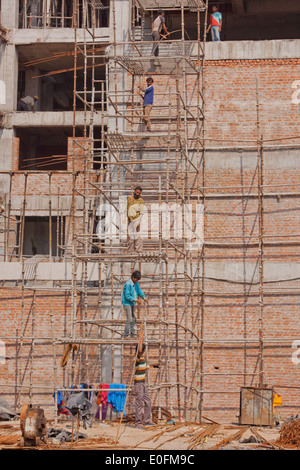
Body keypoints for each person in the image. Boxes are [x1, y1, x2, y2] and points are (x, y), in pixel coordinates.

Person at [134, 328, 153, 429]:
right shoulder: (136, 358)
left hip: (143, 383)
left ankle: (146, 420)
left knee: (148, 401)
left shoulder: (142, 359)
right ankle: (138, 422)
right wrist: (140, 337)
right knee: (139, 402)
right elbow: (140, 349)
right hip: (138, 384)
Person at [122, 271, 148, 339]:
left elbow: (139, 291)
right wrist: (136, 300)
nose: (137, 280)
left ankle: (132, 334)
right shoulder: (128, 284)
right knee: (129, 319)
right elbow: (127, 296)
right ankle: (126, 335)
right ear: (133, 277)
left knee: (133, 319)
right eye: (136, 279)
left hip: (132, 303)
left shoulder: (136, 284)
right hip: (127, 303)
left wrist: (144, 297)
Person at [127, 186, 145, 253]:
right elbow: (127, 209)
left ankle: (138, 251)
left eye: (139, 193)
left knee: (137, 236)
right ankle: (130, 251)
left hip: (137, 220)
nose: (138, 194)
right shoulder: (129, 199)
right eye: (137, 192)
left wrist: (138, 221)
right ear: (134, 191)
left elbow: (142, 212)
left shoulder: (141, 201)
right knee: (130, 237)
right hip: (130, 220)